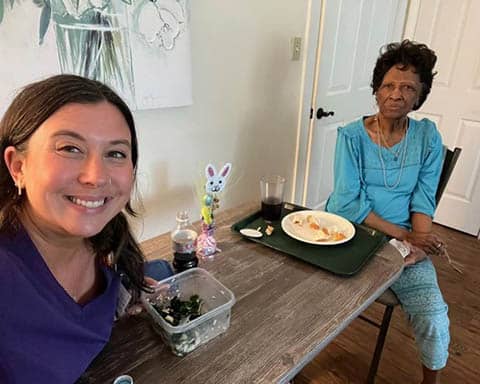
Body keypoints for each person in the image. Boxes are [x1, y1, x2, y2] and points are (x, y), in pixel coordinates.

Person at [0, 74, 172, 383]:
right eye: (70, 148)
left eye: (116, 153)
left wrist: (128, 293)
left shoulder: (106, 242)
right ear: (18, 166)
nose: (96, 176)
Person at [326, 40, 449, 384]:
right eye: (389, 86)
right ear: (377, 91)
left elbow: (423, 200)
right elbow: (348, 203)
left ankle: (432, 381)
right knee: (311, 294)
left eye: (408, 87)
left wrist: (419, 242)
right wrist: (406, 235)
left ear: (419, 96)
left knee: (434, 316)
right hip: (352, 233)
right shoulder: (351, 136)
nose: (396, 94)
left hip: (404, 243)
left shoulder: (427, 137)